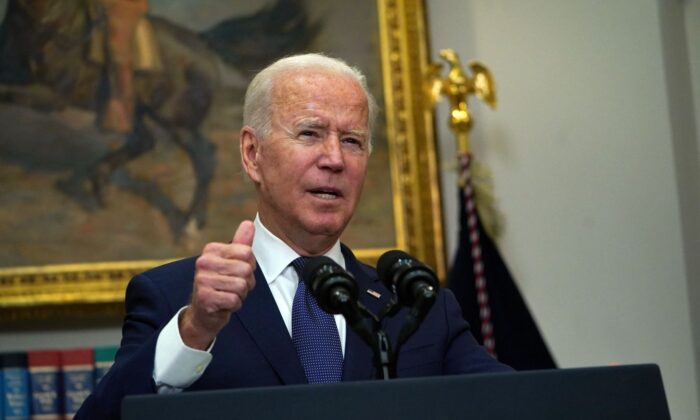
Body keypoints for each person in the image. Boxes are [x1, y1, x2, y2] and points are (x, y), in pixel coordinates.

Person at [75, 53, 512, 419]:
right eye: (310, 133)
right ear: (252, 154)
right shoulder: (176, 300)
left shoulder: (419, 306)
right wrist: (195, 330)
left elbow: (520, 404)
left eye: (354, 141)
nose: (335, 159)